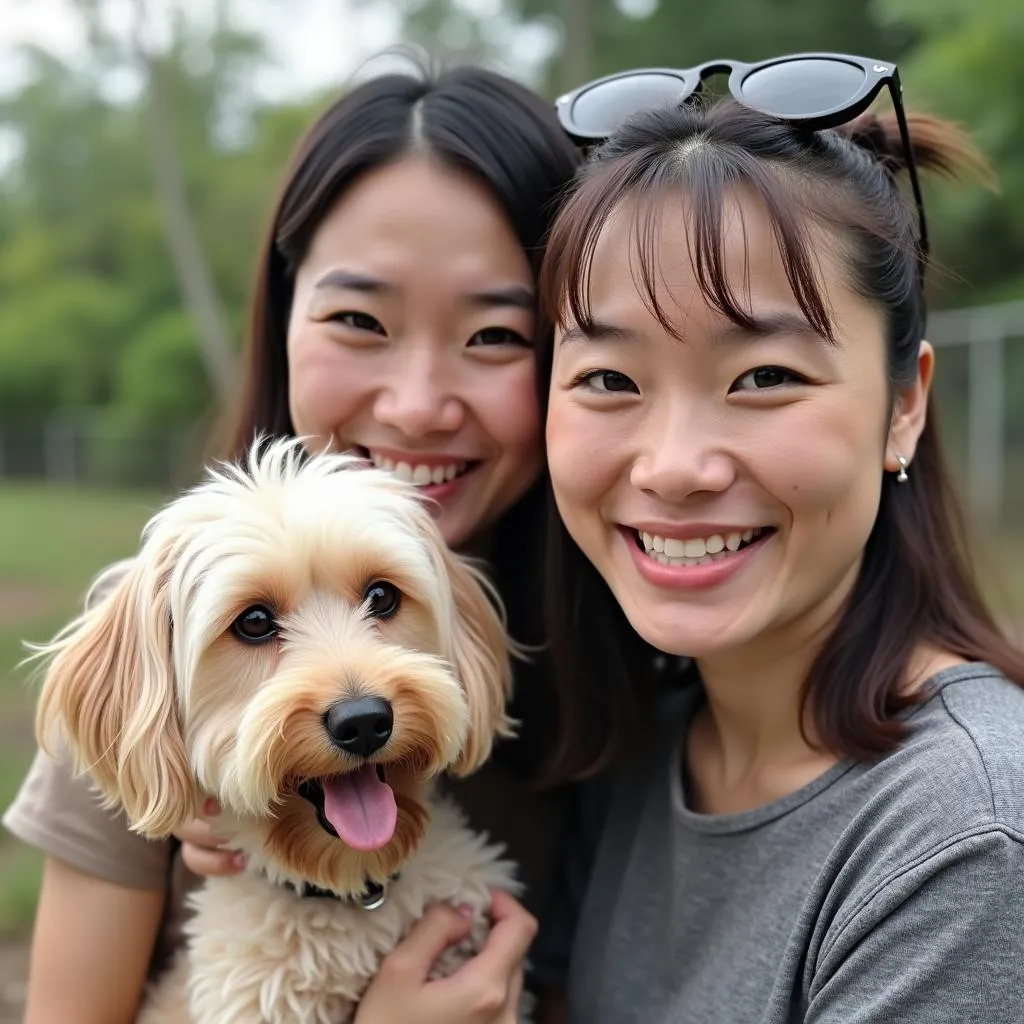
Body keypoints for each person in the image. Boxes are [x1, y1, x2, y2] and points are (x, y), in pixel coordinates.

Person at [4, 63, 581, 1024]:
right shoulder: (155, 623)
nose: (416, 405)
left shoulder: (636, 634)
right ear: (281, 315)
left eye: (493, 335)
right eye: (360, 321)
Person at [536, 66, 1024, 1021]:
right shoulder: (644, 741)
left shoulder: (963, 839)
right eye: (608, 379)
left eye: (763, 376)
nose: (674, 467)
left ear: (905, 405)